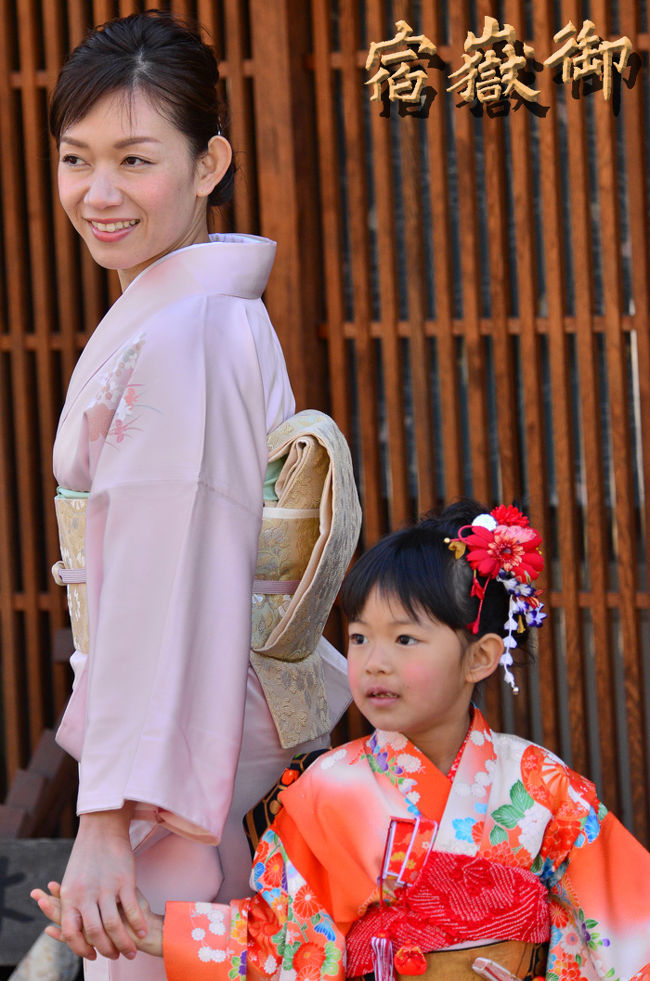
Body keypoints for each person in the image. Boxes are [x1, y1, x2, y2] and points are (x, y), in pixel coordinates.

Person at [46, 10, 356, 980]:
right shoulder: (204, 316)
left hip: (179, 769)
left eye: (136, 160)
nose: (99, 193)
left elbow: (163, 575)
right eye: (74, 158)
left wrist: (105, 812)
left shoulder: (184, 335)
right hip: (201, 748)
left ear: (210, 161)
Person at [35, 500, 650, 979]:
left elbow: (626, 932)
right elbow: (279, 944)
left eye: (404, 640)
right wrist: (148, 928)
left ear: (481, 657)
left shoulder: (543, 788)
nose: (374, 663)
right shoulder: (326, 789)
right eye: (359, 639)